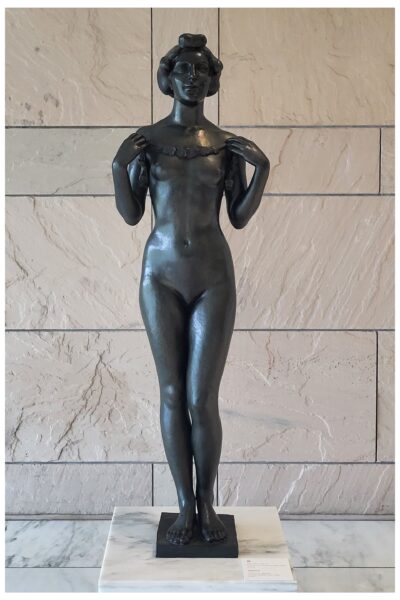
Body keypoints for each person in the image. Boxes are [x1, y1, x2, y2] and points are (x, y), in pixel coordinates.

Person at [112, 33, 270, 546]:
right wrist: (118, 167)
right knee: (172, 392)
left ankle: (207, 505)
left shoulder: (225, 145)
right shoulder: (147, 142)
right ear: (168, 77)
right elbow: (132, 214)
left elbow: (238, 217)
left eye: (201, 70)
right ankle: (184, 504)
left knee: (202, 398)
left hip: (212, 277)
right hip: (159, 277)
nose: (192, 78)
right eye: (183, 69)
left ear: (212, 80)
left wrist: (262, 170)